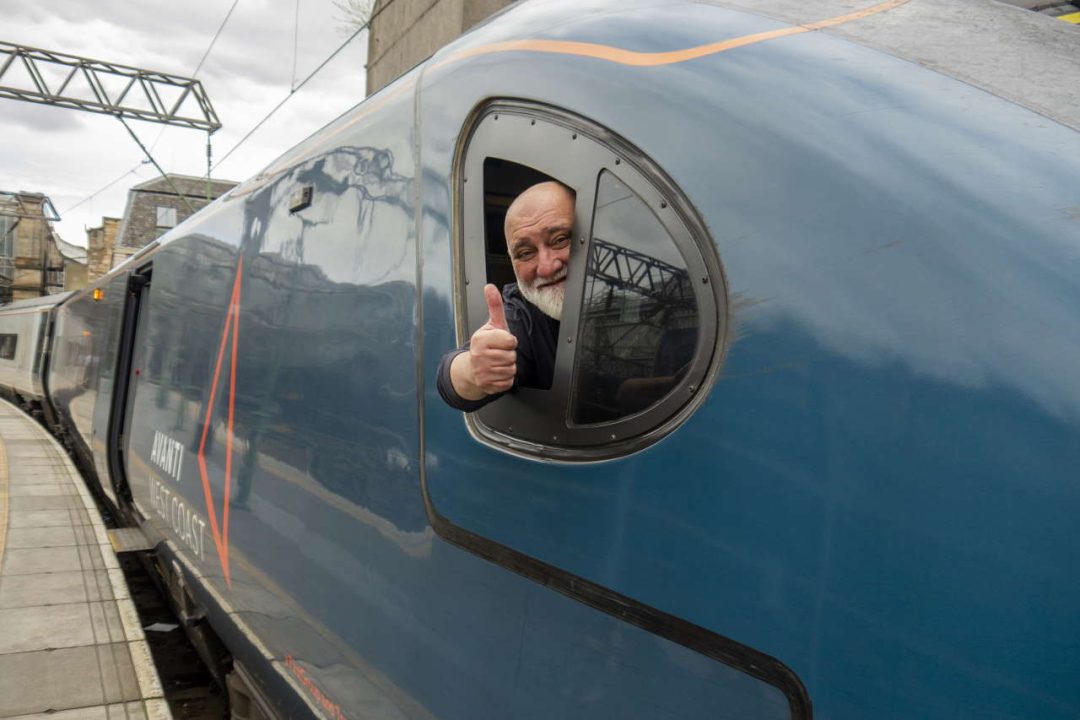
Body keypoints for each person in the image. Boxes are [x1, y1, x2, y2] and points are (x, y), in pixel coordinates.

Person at [437, 181, 574, 411]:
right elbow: (450, 380)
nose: (547, 267)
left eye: (560, 239)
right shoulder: (523, 313)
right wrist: (472, 369)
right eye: (526, 253)